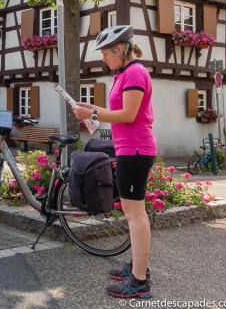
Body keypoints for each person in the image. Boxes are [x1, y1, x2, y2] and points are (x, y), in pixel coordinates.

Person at [72, 25, 157, 299]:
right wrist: (90, 112)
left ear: (120, 50)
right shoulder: (124, 73)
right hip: (130, 149)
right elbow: (116, 111)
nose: (104, 59)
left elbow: (129, 114)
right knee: (135, 214)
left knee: (135, 215)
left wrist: (94, 114)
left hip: (135, 150)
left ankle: (140, 282)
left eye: (106, 53)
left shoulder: (134, 72)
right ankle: (138, 266)